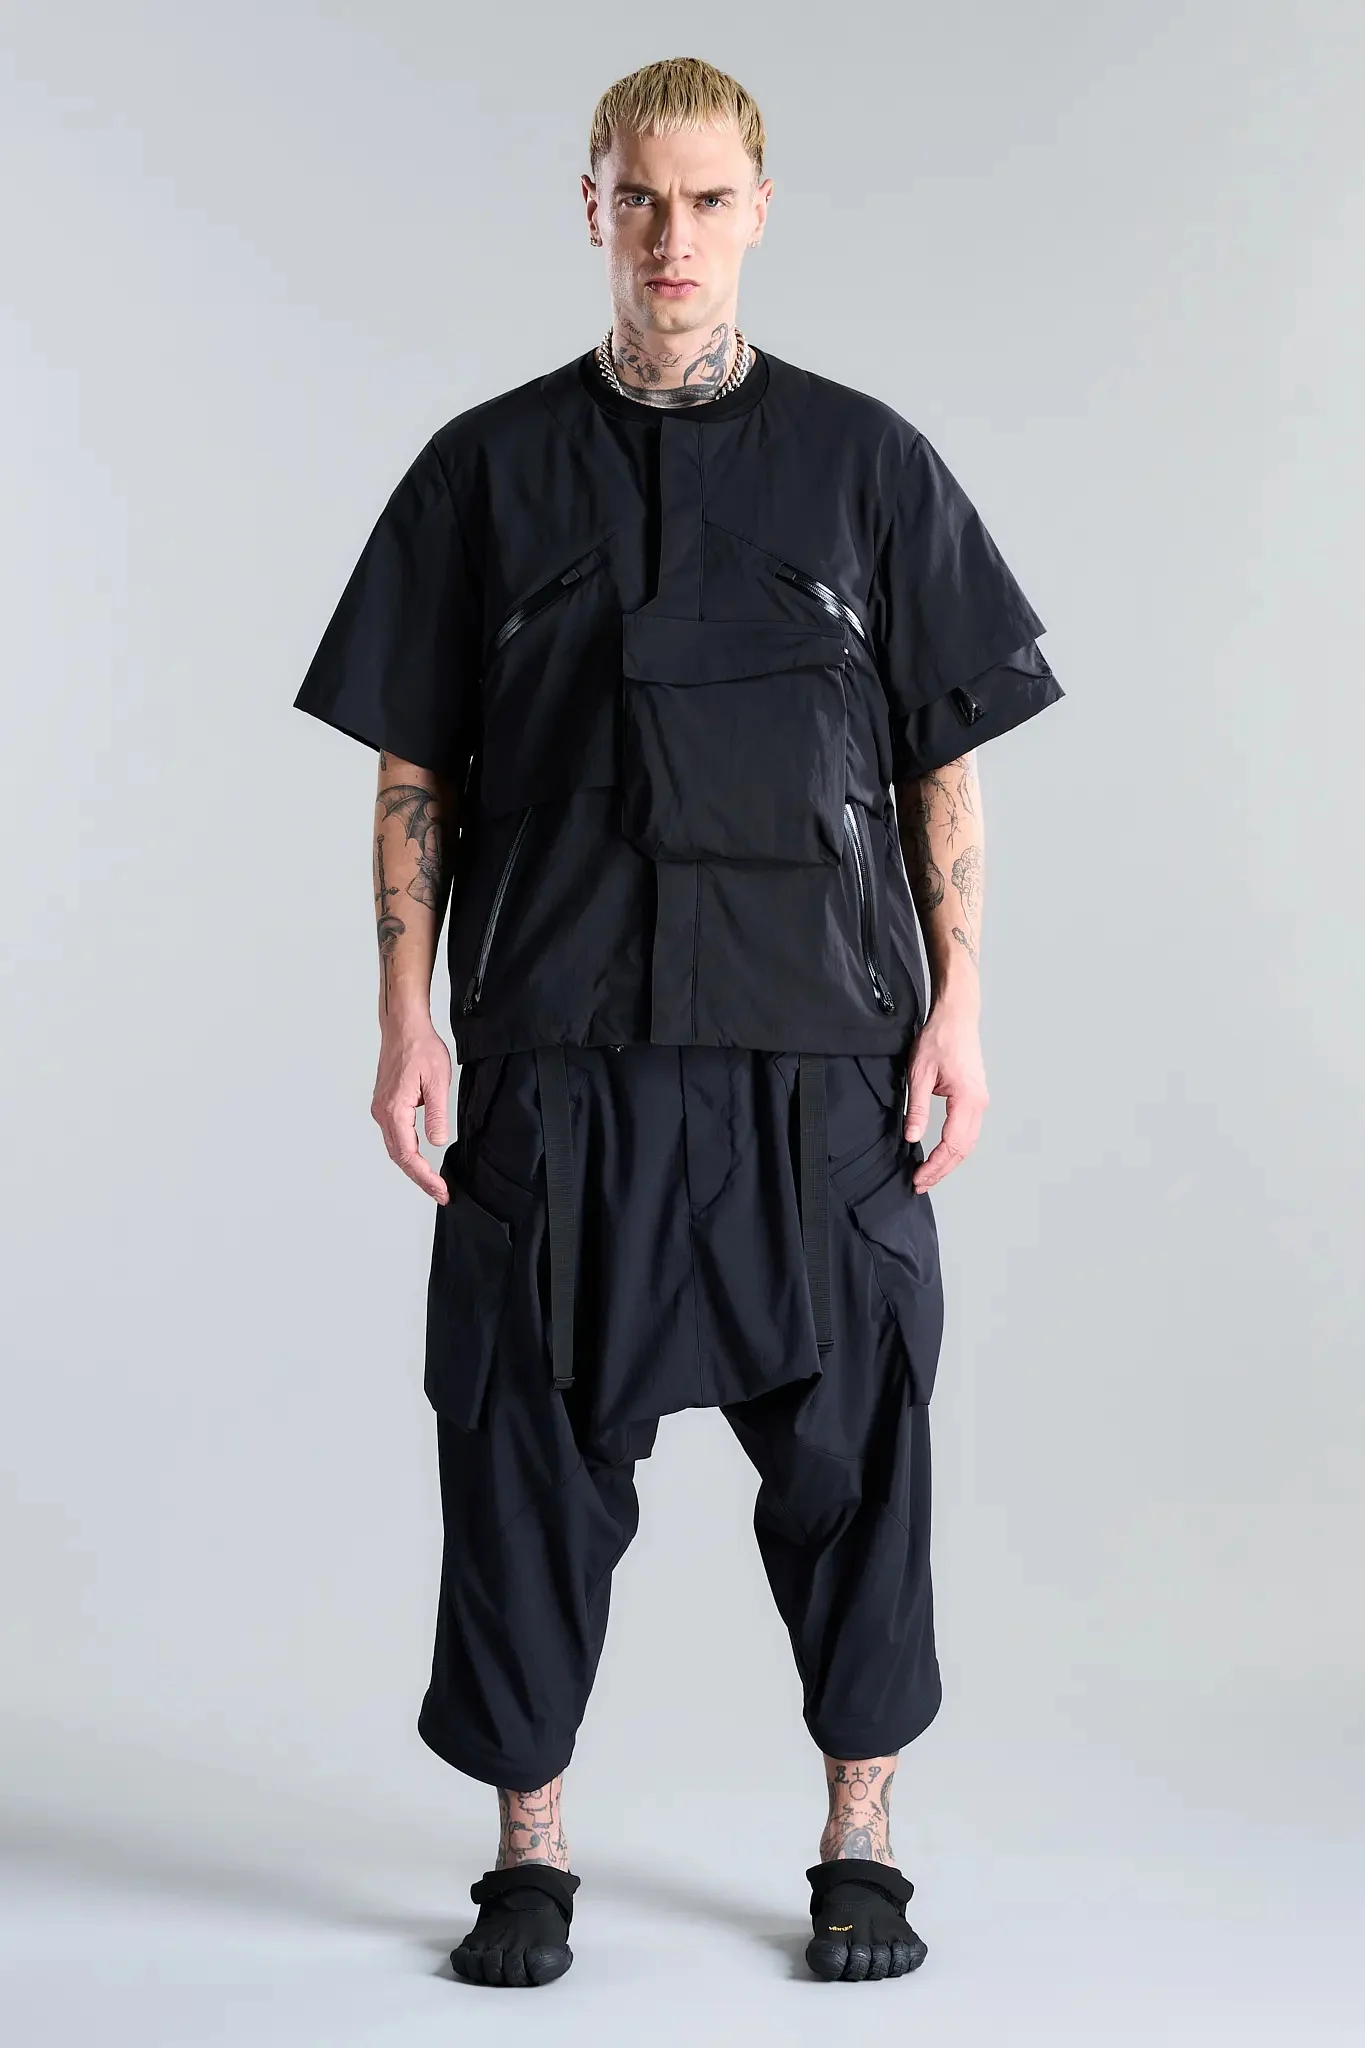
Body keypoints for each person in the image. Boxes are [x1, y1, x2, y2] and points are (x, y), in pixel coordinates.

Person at [293, 54, 1063, 1989]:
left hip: (825, 1059)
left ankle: (862, 1845)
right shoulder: (484, 471)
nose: (674, 237)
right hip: (561, 1055)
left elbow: (942, 760)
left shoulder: (868, 465)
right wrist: (404, 1010)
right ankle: (529, 1856)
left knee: (859, 1450)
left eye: (710, 200)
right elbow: (415, 764)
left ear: (761, 213)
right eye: (641, 197)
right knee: (520, 1455)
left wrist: (964, 1002)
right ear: (592, 208)